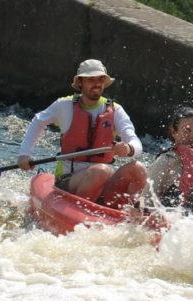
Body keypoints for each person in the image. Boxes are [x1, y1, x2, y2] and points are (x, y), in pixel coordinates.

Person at [17, 59, 147, 208]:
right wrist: (24, 154)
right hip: (68, 179)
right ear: (80, 83)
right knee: (100, 171)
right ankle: (78, 212)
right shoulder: (64, 105)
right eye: (91, 79)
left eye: (100, 79)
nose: (96, 84)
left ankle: (134, 212)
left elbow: (136, 143)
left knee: (139, 169)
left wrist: (128, 148)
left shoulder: (116, 110)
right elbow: (38, 122)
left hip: (104, 180)